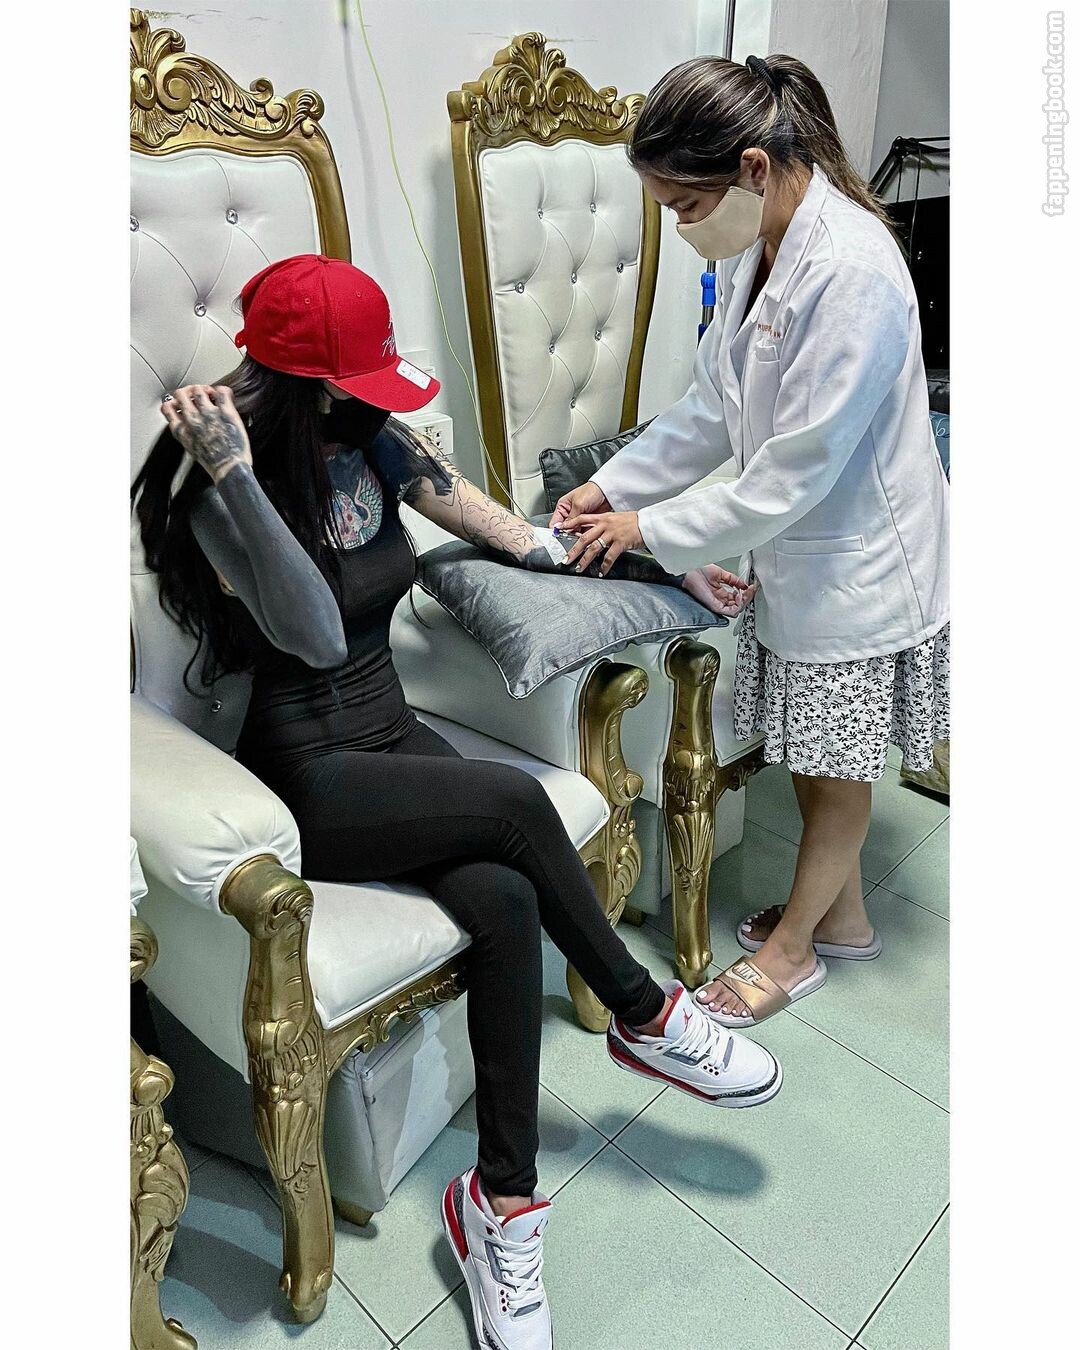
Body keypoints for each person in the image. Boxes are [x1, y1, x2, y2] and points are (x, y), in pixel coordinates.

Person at [132, 253, 779, 1350]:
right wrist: (236, 475)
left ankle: (500, 1205)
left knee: (505, 901)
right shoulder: (215, 488)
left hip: (394, 738)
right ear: (313, 386)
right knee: (519, 805)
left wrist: (665, 568)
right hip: (310, 774)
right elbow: (315, 635)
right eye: (359, 381)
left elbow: (518, 536)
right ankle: (645, 1013)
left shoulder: (377, 443)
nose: (380, 399)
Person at [553, 54, 949, 1031]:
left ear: (754, 168)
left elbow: (789, 474)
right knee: (812, 750)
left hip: (863, 567)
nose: (682, 227)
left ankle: (795, 950)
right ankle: (841, 918)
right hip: (804, 556)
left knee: (836, 769)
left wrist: (645, 528)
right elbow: (712, 411)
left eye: (687, 205)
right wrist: (611, 484)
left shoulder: (850, 272)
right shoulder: (760, 252)